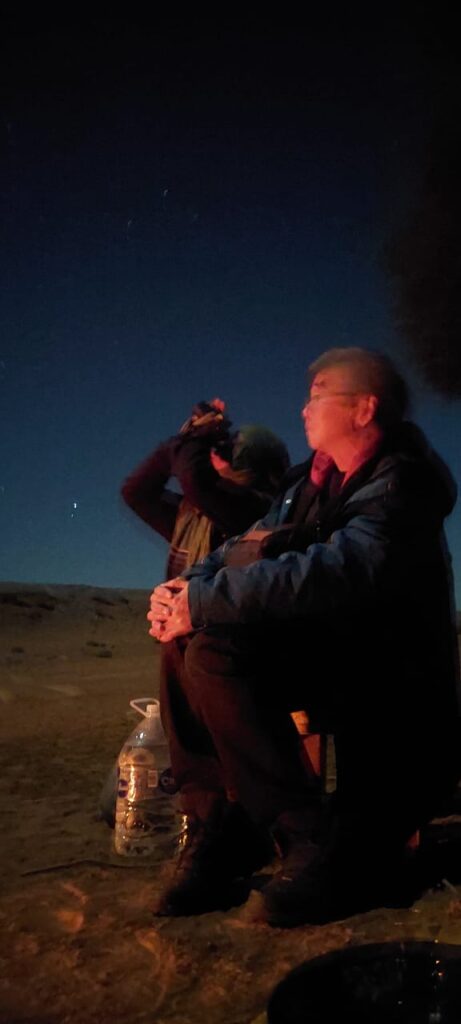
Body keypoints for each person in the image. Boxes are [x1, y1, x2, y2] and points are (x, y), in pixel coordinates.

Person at [148, 348, 461, 927]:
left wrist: (204, 603)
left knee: (215, 644)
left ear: (364, 408)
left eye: (320, 393)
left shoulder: (402, 482)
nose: (304, 406)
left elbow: (339, 569)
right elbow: (236, 547)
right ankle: (220, 827)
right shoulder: (307, 485)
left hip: (386, 666)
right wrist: (183, 591)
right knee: (185, 642)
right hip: (331, 652)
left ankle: (306, 837)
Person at [98, 400, 290, 826]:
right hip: (187, 645)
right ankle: (207, 811)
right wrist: (183, 440)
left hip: (240, 651)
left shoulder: (251, 511)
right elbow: (138, 490)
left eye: (224, 452)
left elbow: (197, 483)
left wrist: (195, 440)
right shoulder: (195, 515)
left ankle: (241, 816)